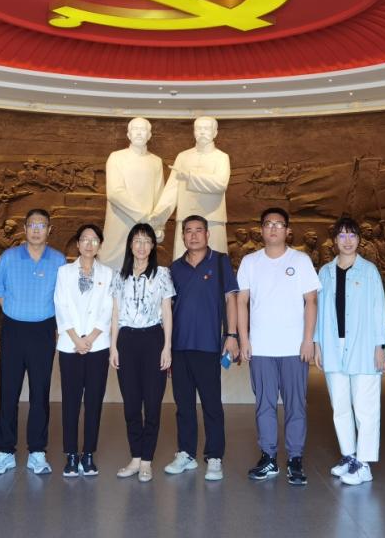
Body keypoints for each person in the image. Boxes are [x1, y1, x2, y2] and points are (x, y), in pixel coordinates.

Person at [238, 207, 321, 486]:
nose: (273, 228)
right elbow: (241, 301)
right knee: (265, 404)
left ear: (287, 230)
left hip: (294, 347)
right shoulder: (250, 262)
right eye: (268, 223)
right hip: (261, 347)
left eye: (279, 224)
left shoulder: (301, 260)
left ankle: (295, 459)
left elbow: (311, 301)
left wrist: (308, 340)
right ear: (261, 229)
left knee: (296, 404)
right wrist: (244, 339)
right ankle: (269, 457)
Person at [0, 208, 66, 476]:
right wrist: (14, 309)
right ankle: (5, 451)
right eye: (31, 225)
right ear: (24, 228)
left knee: (39, 393)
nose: (36, 230)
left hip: (43, 331)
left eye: (41, 225)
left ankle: (37, 451)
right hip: (13, 329)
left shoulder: (58, 260)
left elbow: (63, 298)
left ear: (49, 230)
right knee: (8, 392)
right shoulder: (9, 257)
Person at [165, 215, 239, 481]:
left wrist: (231, 335)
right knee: (183, 404)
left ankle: (214, 456)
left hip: (208, 345)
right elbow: (167, 309)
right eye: (188, 231)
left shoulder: (220, 261)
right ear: (183, 236)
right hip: (179, 347)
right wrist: (166, 347)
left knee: (211, 404)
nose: (194, 235)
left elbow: (231, 300)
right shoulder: (174, 268)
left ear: (208, 234)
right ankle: (186, 453)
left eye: (199, 230)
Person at [314, 215, 385, 486]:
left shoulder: (369, 271)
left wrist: (380, 347)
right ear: (335, 240)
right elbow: (318, 311)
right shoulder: (325, 272)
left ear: (359, 240)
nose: (347, 241)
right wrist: (317, 343)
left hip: (364, 346)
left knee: (365, 408)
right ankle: (349, 456)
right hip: (333, 346)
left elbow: (379, 309)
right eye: (342, 235)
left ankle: (364, 464)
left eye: (352, 235)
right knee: (340, 406)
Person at [109, 223, 174, 482]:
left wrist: (167, 347)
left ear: (153, 246)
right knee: (131, 404)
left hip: (153, 339)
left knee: (153, 403)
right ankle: (135, 457)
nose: (142, 246)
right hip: (127, 341)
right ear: (130, 245)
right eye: (137, 240)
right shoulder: (119, 276)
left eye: (147, 241)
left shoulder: (163, 274)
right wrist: (113, 347)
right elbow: (115, 314)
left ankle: (147, 460)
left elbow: (167, 311)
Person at [54, 223, 114, 477]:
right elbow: (60, 304)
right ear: (77, 244)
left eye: (94, 240)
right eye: (85, 239)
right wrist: (75, 338)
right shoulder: (64, 272)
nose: (89, 244)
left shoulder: (108, 274)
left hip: (97, 345)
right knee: (70, 401)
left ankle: (88, 453)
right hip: (70, 346)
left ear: (100, 245)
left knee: (94, 401)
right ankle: (70, 454)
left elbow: (108, 308)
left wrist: (90, 338)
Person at [151, 116, 232, 257]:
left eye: (206, 128)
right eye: (199, 128)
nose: (202, 132)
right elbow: (171, 191)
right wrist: (157, 219)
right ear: (194, 132)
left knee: (215, 264)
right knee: (182, 263)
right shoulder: (183, 157)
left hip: (213, 220)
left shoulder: (221, 157)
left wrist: (190, 177)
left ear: (215, 132)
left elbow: (220, 184)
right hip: (185, 220)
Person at [99, 118, 167, 269]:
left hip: (147, 227)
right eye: (135, 129)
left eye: (143, 129)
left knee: (141, 268)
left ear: (149, 135)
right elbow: (115, 193)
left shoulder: (156, 161)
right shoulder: (116, 157)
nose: (139, 133)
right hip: (120, 222)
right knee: (111, 266)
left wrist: (159, 226)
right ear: (128, 134)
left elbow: (159, 196)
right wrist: (144, 217)